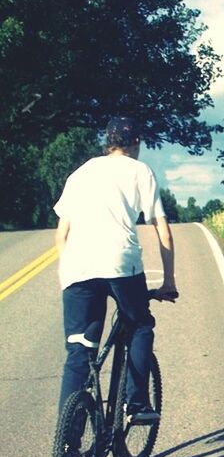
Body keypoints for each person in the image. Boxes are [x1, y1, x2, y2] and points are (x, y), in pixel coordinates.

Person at [54, 116, 178, 422]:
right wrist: (168, 280)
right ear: (135, 143)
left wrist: (69, 270)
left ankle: (69, 440)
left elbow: (61, 235)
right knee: (140, 325)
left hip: (76, 267)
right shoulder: (139, 171)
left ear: (108, 143)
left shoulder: (80, 173)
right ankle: (135, 404)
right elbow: (162, 229)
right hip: (121, 262)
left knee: (79, 352)